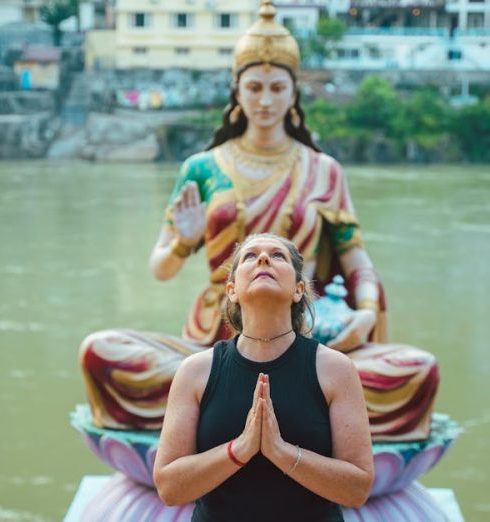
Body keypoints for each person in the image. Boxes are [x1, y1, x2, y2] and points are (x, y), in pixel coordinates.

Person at [79, 0, 438, 441]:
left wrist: (365, 311)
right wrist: (181, 242)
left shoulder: (323, 170)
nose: (265, 100)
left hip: (308, 339)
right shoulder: (202, 167)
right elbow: (161, 268)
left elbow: (355, 256)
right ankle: (280, 407)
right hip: (212, 343)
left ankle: (232, 409)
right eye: (254, 87)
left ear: (294, 93)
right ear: (237, 91)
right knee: (100, 352)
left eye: (275, 87)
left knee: (417, 370)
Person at [153, 233, 374, 521]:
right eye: (249, 256)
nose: (263, 258)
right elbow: (169, 488)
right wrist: (239, 450)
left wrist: (280, 451)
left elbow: (357, 489)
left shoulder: (334, 369)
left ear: (298, 290)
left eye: (278, 255)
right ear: (231, 290)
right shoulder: (196, 370)